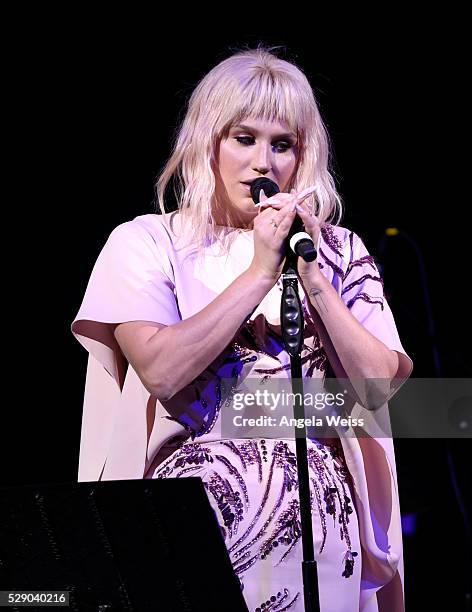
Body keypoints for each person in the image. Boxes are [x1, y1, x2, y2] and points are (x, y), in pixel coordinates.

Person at [72, 46, 413, 612]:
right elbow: (160, 368)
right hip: (192, 523)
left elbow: (381, 387)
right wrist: (259, 272)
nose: (264, 163)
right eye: (244, 139)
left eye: (282, 145)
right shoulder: (148, 243)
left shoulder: (338, 253)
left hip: (321, 532)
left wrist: (312, 276)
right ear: (207, 143)